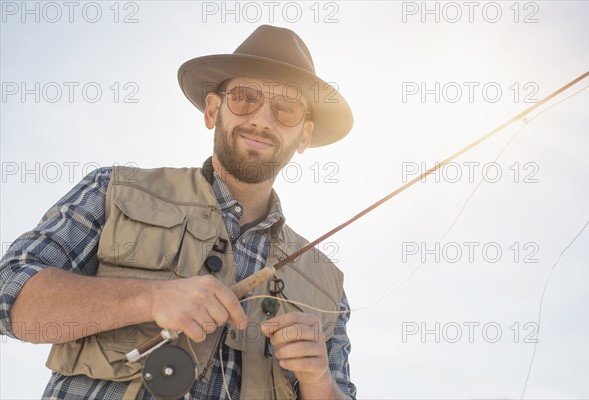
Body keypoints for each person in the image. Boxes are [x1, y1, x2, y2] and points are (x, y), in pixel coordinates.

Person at [0, 25, 356, 399]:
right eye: (246, 98)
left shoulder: (326, 282)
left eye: (285, 109)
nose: (263, 120)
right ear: (213, 110)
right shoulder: (111, 190)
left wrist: (318, 382)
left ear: (303, 136)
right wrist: (149, 299)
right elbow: (9, 294)